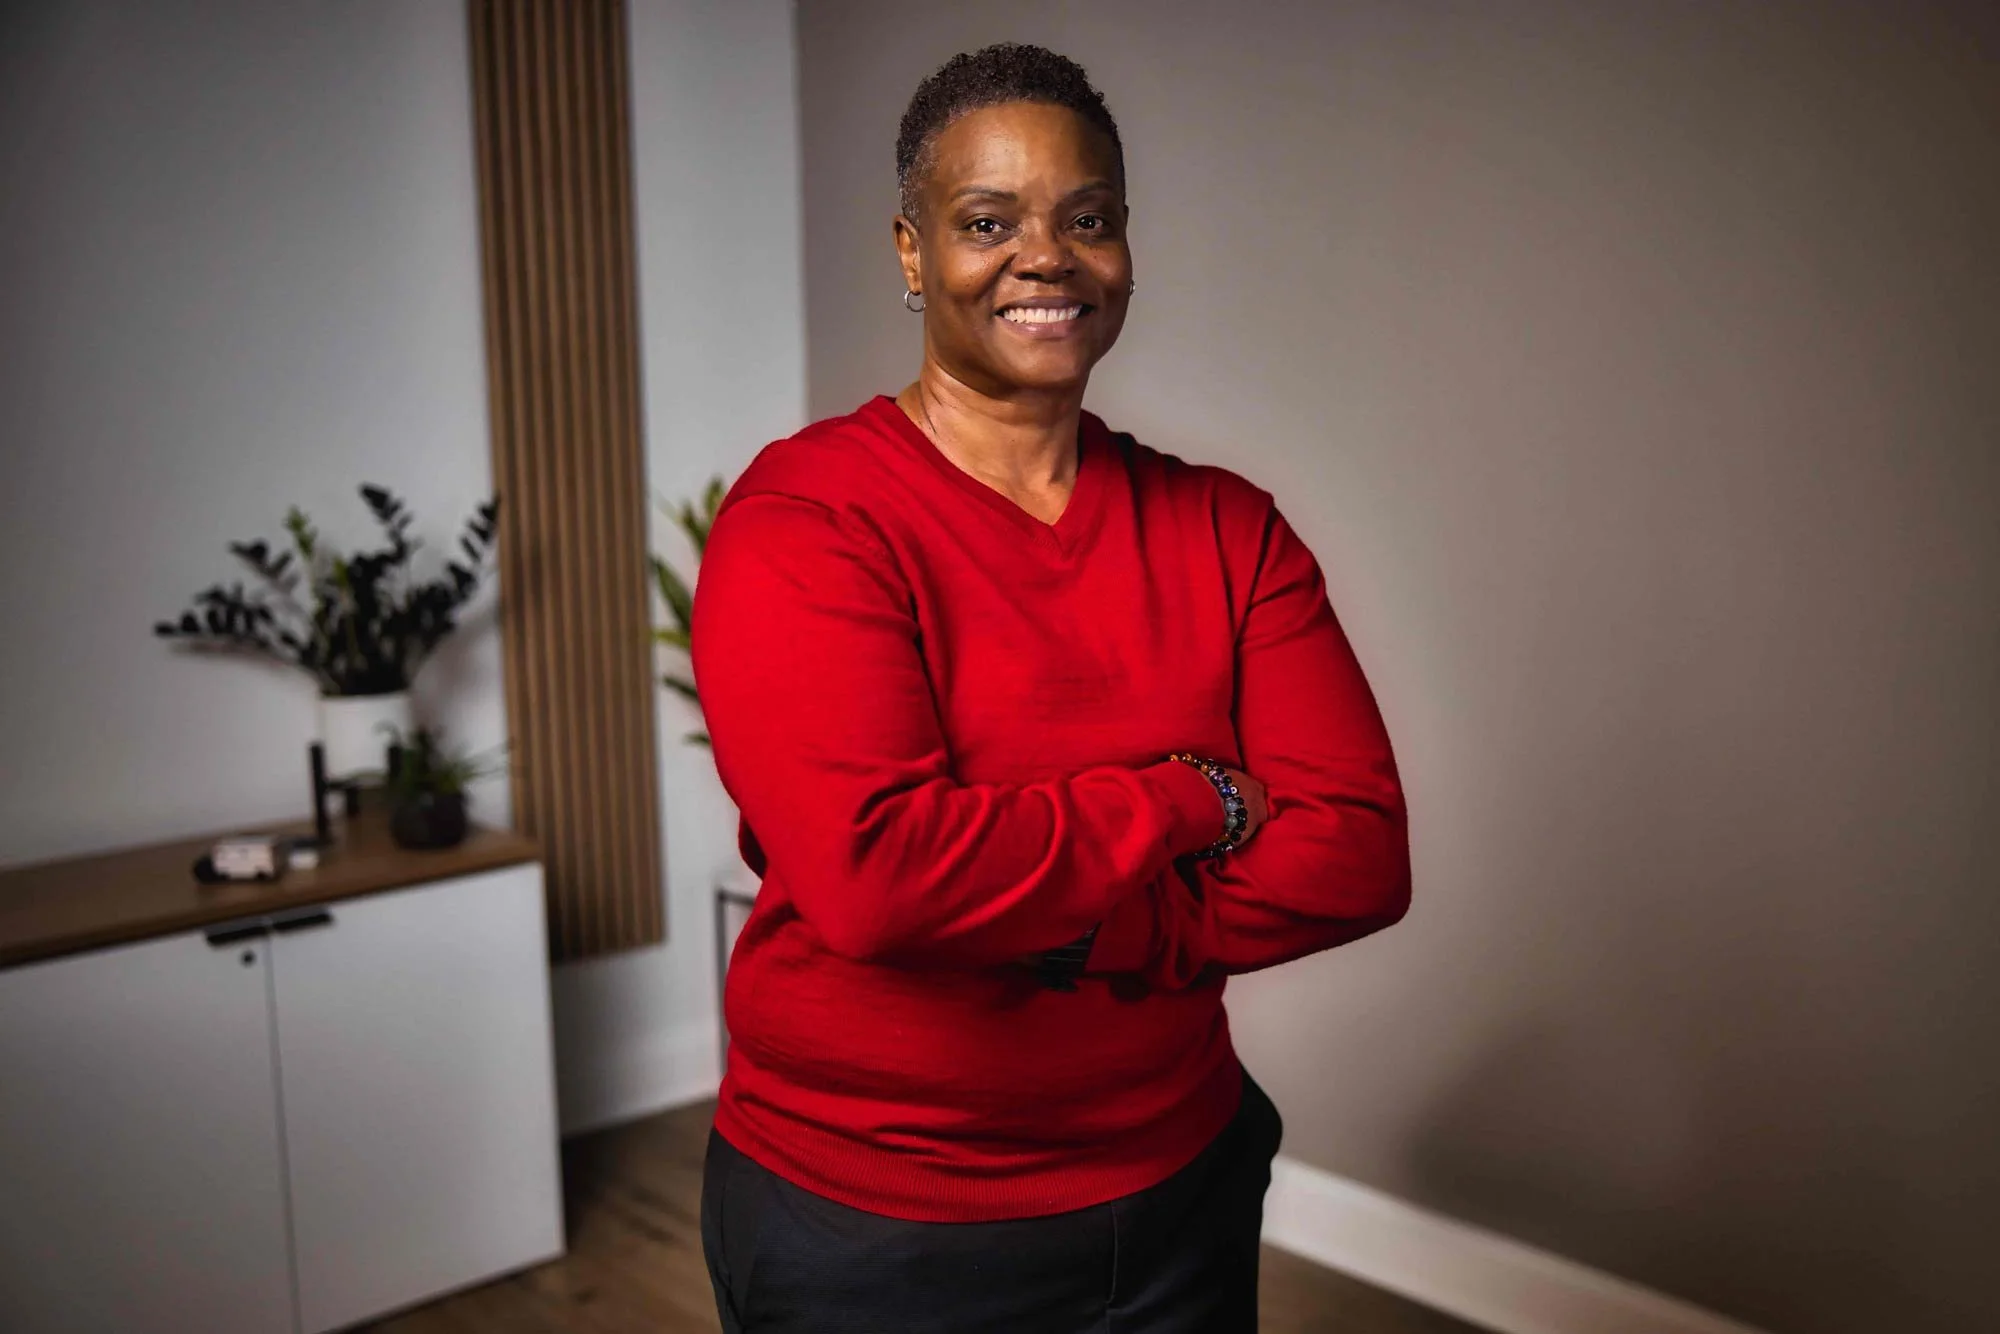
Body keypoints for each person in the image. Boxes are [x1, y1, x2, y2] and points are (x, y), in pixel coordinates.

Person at [689, 42, 1411, 1334]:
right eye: (987, 222)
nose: (1046, 257)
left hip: (1178, 1179)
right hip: (875, 1220)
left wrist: (1104, 930)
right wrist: (1189, 799)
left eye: (1088, 219)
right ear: (912, 252)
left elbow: (1357, 852)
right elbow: (879, 876)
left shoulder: (1228, 528)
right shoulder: (809, 519)